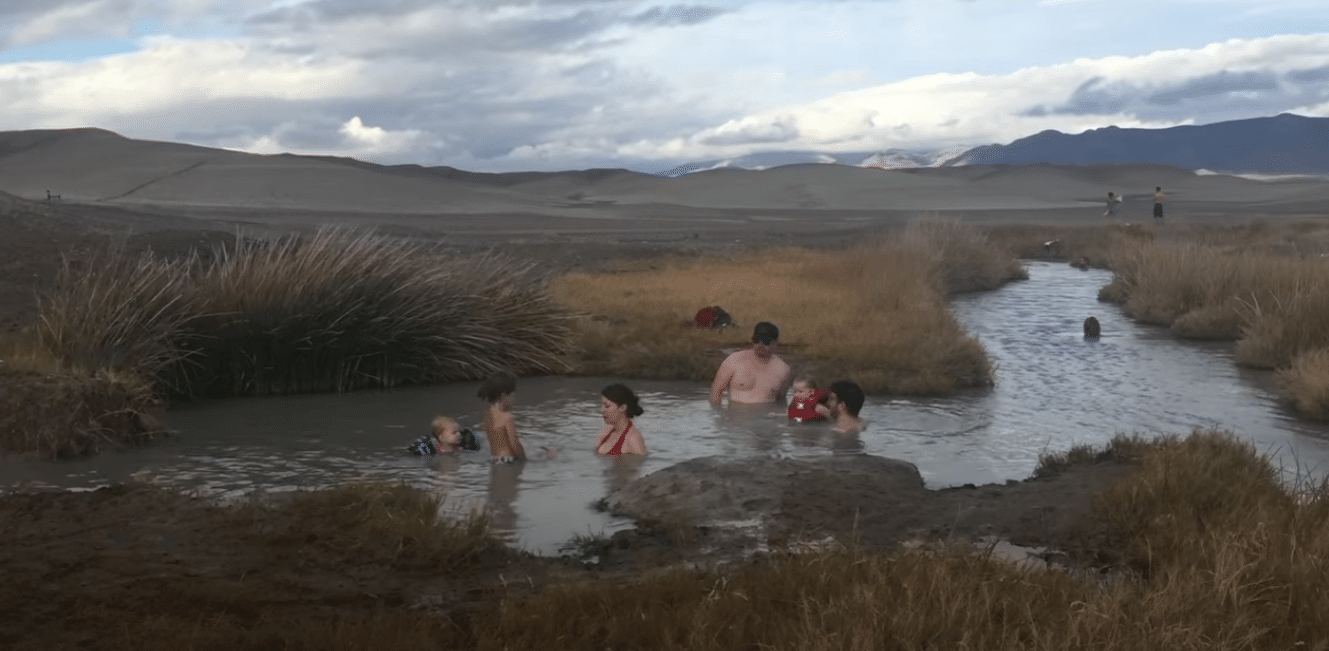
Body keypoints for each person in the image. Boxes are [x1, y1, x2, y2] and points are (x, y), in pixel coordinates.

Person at [709, 321, 794, 404]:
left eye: (766, 342)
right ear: (752, 340)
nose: (760, 345)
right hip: (735, 415)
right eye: (757, 340)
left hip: (764, 415)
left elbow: (781, 400)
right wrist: (719, 415)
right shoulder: (734, 360)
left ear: (776, 343)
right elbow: (716, 392)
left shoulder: (783, 369)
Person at [478, 372, 526, 463]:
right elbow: (514, 444)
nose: (515, 400)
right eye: (513, 395)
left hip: (495, 460)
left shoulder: (488, 413)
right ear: (504, 395)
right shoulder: (506, 417)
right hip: (509, 460)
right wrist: (525, 460)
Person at [595, 383, 647, 456]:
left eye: (607, 406)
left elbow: (639, 465)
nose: (602, 410)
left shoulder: (633, 440)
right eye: (601, 405)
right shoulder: (606, 432)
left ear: (622, 408)